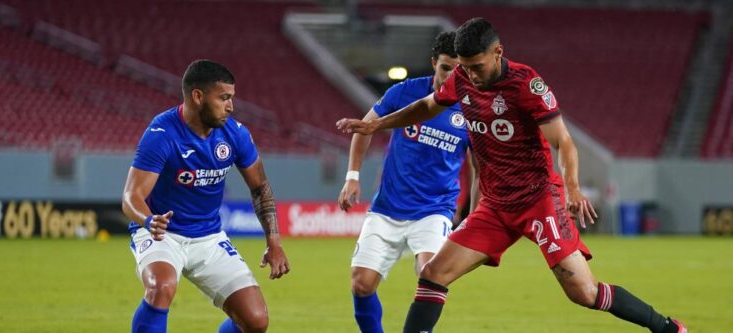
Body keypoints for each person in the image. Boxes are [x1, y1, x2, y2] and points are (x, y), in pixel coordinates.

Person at [337, 18, 686, 333]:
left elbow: (563, 142)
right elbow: (428, 106)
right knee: (432, 275)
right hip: (495, 205)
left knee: (584, 292)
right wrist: (377, 124)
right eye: (466, 68)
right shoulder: (461, 78)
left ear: (498, 52)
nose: (470, 75)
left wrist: (574, 188)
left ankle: (668, 328)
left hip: (538, 201)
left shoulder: (526, 85)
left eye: (477, 66)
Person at [122, 59, 290, 333]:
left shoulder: (235, 134)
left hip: (209, 236)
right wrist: (148, 219)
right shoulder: (162, 133)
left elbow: (260, 188)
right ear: (198, 96)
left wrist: (274, 241)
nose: (231, 106)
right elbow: (131, 196)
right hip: (162, 233)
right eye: (224, 98)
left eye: (232, 98)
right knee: (161, 287)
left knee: (255, 321)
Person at [337, 31, 471, 333]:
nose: (451, 77)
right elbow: (365, 127)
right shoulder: (405, 92)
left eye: (459, 71)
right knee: (361, 284)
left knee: (431, 273)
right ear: (434, 63)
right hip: (388, 207)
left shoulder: (471, 107)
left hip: (435, 210)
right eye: (446, 68)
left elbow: (476, 163)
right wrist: (352, 177)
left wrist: (469, 207)